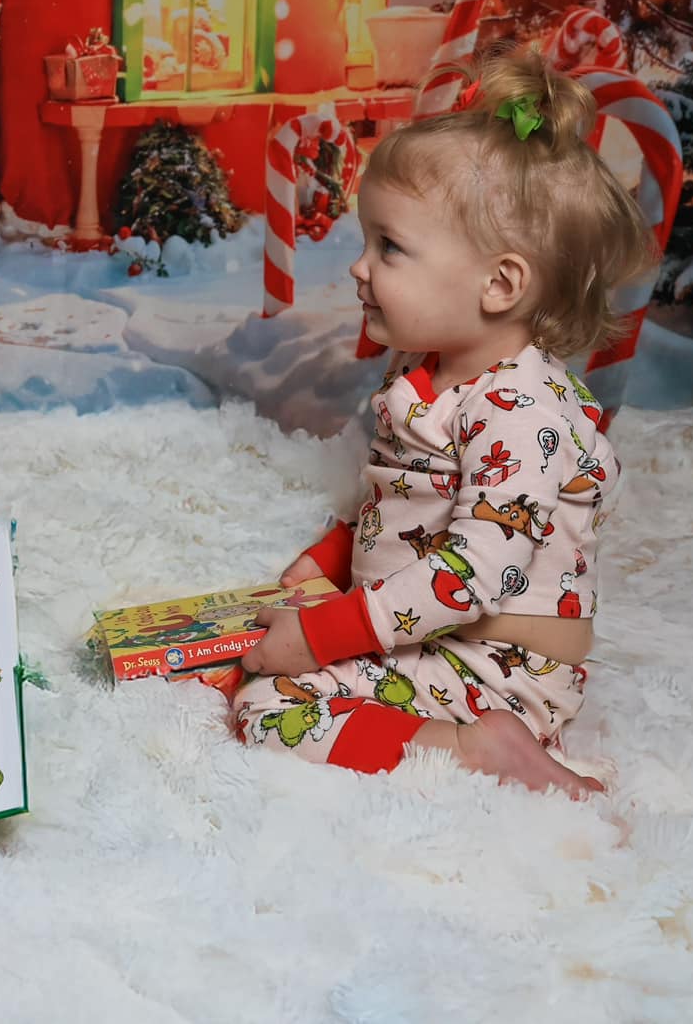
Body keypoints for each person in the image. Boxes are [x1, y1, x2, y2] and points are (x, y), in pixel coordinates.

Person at [237, 46, 654, 796]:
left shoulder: (522, 412)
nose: (359, 267)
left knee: (271, 708)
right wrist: (333, 557)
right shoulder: (427, 372)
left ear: (499, 284)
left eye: (389, 247)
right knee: (251, 660)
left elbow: (473, 573)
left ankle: (475, 751)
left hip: (499, 668)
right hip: (432, 637)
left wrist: (326, 635)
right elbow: (408, 503)